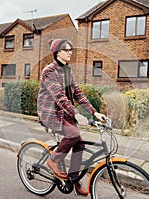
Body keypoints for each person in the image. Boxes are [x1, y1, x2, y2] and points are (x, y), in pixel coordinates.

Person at [37, 38, 105, 196]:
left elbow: (78, 93)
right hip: (51, 114)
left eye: (70, 50)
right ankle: (53, 161)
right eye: (66, 50)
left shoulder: (68, 70)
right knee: (73, 135)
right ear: (57, 52)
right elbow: (59, 97)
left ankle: (74, 180)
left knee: (79, 144)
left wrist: (94, 112)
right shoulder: (49, 71)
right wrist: (76, 113)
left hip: (65, 114)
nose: (70, 52)